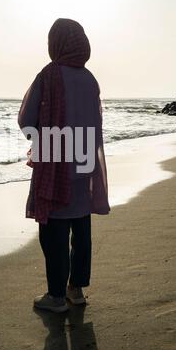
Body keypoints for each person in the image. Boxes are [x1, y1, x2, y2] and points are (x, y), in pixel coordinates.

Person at [18, 18, 110, 313]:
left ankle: (56, 297)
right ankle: (76, 290)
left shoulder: (49, 75)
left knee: (54, 232)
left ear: (55, 44)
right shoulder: (90, 78)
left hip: (55, 162)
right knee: (81, 228)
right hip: (83, 161)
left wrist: (41, 139)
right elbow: (96, 122)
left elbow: (25, 119)